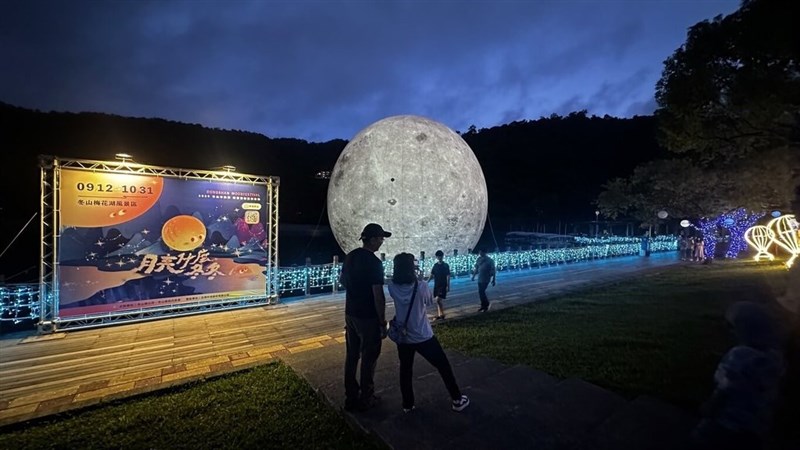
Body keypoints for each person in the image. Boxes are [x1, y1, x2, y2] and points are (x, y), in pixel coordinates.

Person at [691, 302, 785, 450]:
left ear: (741, 328)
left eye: (731, 326)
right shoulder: (775, 356)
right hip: (756, 428)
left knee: (698, 439)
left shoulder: (738, 355)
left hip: (726, 425)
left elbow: (725, 390)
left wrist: (708, 409)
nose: (729, 331)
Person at [388, 252, 470, 413]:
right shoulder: (422, 286)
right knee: (443, 366)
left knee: (405, 369)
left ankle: (408, 404)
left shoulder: (392, 286)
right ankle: (457, 399)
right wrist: (419, 278)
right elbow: (428, 301)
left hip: (403, 337)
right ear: (412, 267)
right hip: (422, 335)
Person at [340, 223, 391, 412]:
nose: (382, 242)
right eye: (380, 239)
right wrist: (382, 320)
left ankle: (351, 396)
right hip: (368, 317)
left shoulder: (350, 256)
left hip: (350, 313)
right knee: (369, 357)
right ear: (371, 239)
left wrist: (355, 292)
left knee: (352, 356)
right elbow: (378, 294)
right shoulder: (374, 263)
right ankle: (367, 397)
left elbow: (342, 281)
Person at [428, 250, 451, 320]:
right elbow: (432, 275)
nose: (439, 257)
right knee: (437, 300)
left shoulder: (445, 265)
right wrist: (427, 282)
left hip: (443, 285)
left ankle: (442, 314)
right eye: (438, 256)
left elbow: (448, 276)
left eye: (441, 256)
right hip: (436, 285)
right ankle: (439, 314)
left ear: (442, 256)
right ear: (437, 257)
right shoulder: (435, 266)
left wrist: (448, 286)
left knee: (438, 300)